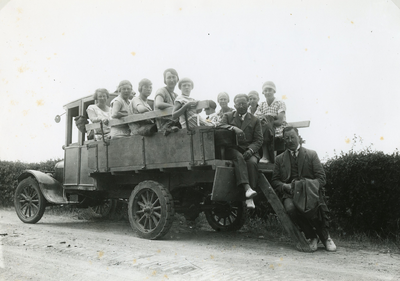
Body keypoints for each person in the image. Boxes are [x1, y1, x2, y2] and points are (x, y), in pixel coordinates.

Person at [271, 126, 336, 252]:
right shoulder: (280, 159)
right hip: (290, 193)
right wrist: (285, 186)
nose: (290, 141)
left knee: (314, 207)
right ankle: (311, 236)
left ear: (299, 138)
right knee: (290, 208)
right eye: (287, 138)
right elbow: (275, 181)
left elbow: (321, 178)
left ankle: (325, 237)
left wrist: (306, 186)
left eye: (292, 137)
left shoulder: (311, 154)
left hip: (310, 192)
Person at [218, 94, 263, 209]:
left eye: (244, 103)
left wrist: (251, 150)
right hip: (232, 148)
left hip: (250, 149)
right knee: (239, 157)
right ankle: (247, 189)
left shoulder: (255, 120)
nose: (241, 106)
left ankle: (250, 197)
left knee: (252, 163)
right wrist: (233, 128)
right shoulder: (228, 116)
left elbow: (259, 139)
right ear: (234, 105)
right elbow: (220, 125)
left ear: (248, 104)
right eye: (239, 104)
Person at [257, 81, 287, 164]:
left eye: (270, 90)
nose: (267, 92)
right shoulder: (262, 105)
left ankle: (266, 156)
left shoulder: (280, 103)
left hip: (279, 129)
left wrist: (269, 119)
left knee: (266, 125)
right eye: (265, 90)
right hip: (265, 128)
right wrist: (271, 117)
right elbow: (257, 117)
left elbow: (280, 121)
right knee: (264, 126)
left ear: (274, 91)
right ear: (263, 92)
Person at [154, 68, 181, 135]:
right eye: (169, 78)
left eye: (173, 77)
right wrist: (174, 107)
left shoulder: (176, 95)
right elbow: (158, 104)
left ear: (177, 79)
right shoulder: (162, 91)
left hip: (175, 123)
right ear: (165, 80)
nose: (171, 80)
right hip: (165, 125)